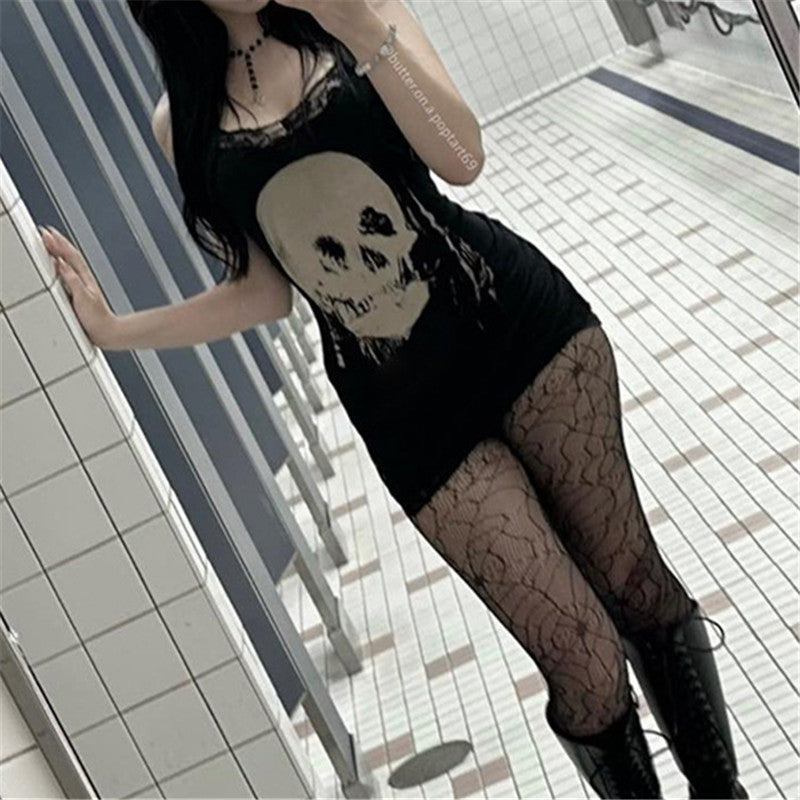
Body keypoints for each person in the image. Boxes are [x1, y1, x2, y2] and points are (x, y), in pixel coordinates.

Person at [39, 1, 748, 797]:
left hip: (523, 334)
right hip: (410, 414)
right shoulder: (185, 120)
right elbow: (264, 292)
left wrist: (358, 28)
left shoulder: (361, 13)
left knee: (634, 583)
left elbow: (461, 157)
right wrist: (116, 329)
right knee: (580, 656)